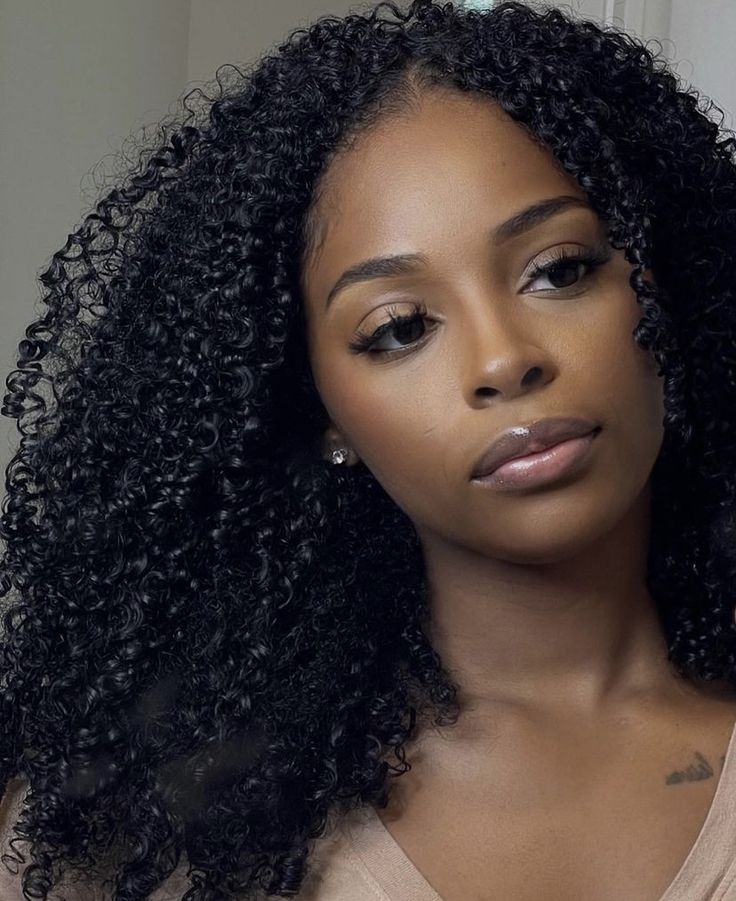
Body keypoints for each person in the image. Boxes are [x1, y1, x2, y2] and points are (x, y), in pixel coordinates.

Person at [2, 0, 736, 897]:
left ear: (666, 282)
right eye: (399, 328)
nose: (504, 360)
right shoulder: (151, 823)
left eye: (559, 270)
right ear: (324, 413)